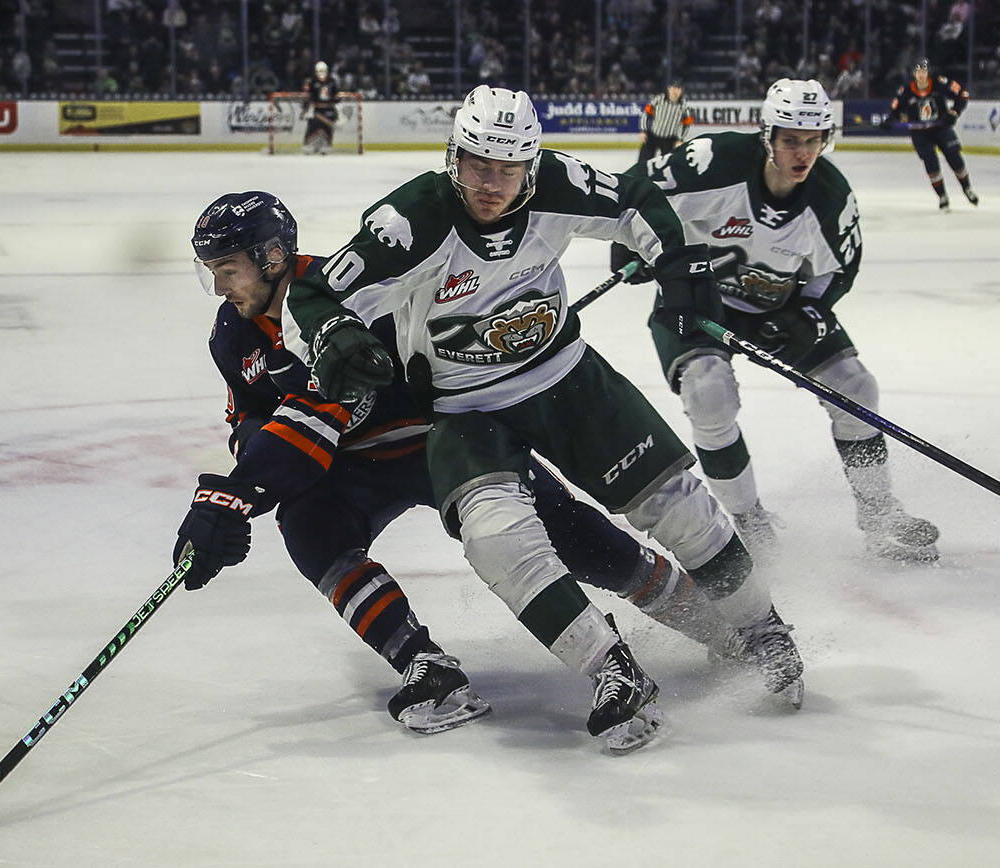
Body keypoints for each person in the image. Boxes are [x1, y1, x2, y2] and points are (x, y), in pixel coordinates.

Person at [282, 86, 808, 750]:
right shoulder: (411, 219)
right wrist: (334, 338)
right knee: (496, 540)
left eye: (508, 169)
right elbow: (312, 292)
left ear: (531, 165)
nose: (491, 184)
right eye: (477, 164)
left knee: (679, 508)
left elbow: (638, 200)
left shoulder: (560, 180)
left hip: (566, 378)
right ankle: (610, 670)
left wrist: (680, 263)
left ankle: (762, 629)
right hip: (464, 408)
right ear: (453, 157)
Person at [178, 190, 743, 748]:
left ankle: (716, 625)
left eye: (228, 270)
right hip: (353, 467)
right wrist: (243, 476)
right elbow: (249, 417)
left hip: (442, 439)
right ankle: (423, 663)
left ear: (273, 258)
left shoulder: (337, 296)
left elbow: (316, 419)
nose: (221, 289)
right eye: (213, 274)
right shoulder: (231, 333)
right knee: (308, 526)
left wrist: (234, 495)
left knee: (578, 540)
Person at [616, 78, 940, 563]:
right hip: (697, 301)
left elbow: (839, 271)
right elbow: (635, 190)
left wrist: (808, 312)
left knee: (856, 389)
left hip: (779, 307)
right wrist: (638, 247)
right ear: (766, 134)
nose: (802, 152)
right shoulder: (712, 161)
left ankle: (879, 514)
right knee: (709, 393)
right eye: (790, 139)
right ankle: (749, 522)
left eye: (814, 140)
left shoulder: (831, 199)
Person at [881, 58, 979, 210]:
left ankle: (967, 188)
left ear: (928, 73)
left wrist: (954, 112)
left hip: (941, 127)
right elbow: (895, 109)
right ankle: (942, 196)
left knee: (955, 157)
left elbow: (963, 93)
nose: (921, 75)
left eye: (924, 72)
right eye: (918, 72)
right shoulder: (906, 91)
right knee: (931, 164)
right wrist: (889, 120)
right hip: (920, 134)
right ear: (914, 73)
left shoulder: (940, 83)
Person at [638, 77, 694, 164]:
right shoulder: (658, 99)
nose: (675, 91)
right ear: (669, 89)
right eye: (673, 88)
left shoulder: (684, 106)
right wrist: (643, 130)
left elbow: (687, 124)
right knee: (643, 162)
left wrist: (680, 140)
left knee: (668, 165)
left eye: (678, 89)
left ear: (681, 91)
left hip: (669, 139)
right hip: (653, 135)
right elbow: (646, 114)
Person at [301, 60, 338, 155]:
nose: (321, 74)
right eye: (319, 71)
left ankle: (326, 144)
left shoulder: (332, 81)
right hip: (317, 110)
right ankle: (309, 144)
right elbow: (309, 97)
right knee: (312, 125)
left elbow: (336, 97)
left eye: (323, 71)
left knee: (327, 127)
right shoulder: (312, 82)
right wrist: (306, 109)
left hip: (330, 110)